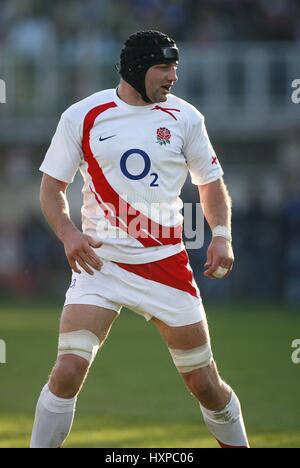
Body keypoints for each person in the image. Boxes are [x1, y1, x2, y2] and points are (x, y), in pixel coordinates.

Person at [30, 30, 249, 448]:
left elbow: (211, 184)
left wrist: (221, 236)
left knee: (205, 384)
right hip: (100, 265)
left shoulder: (186, 118)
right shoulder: (83, 115)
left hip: (166, 265)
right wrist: (68, 233)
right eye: (164, 67)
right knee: (67, 372)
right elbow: (51, 188)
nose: (173, 77)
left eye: (175, 68)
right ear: (136, 68)